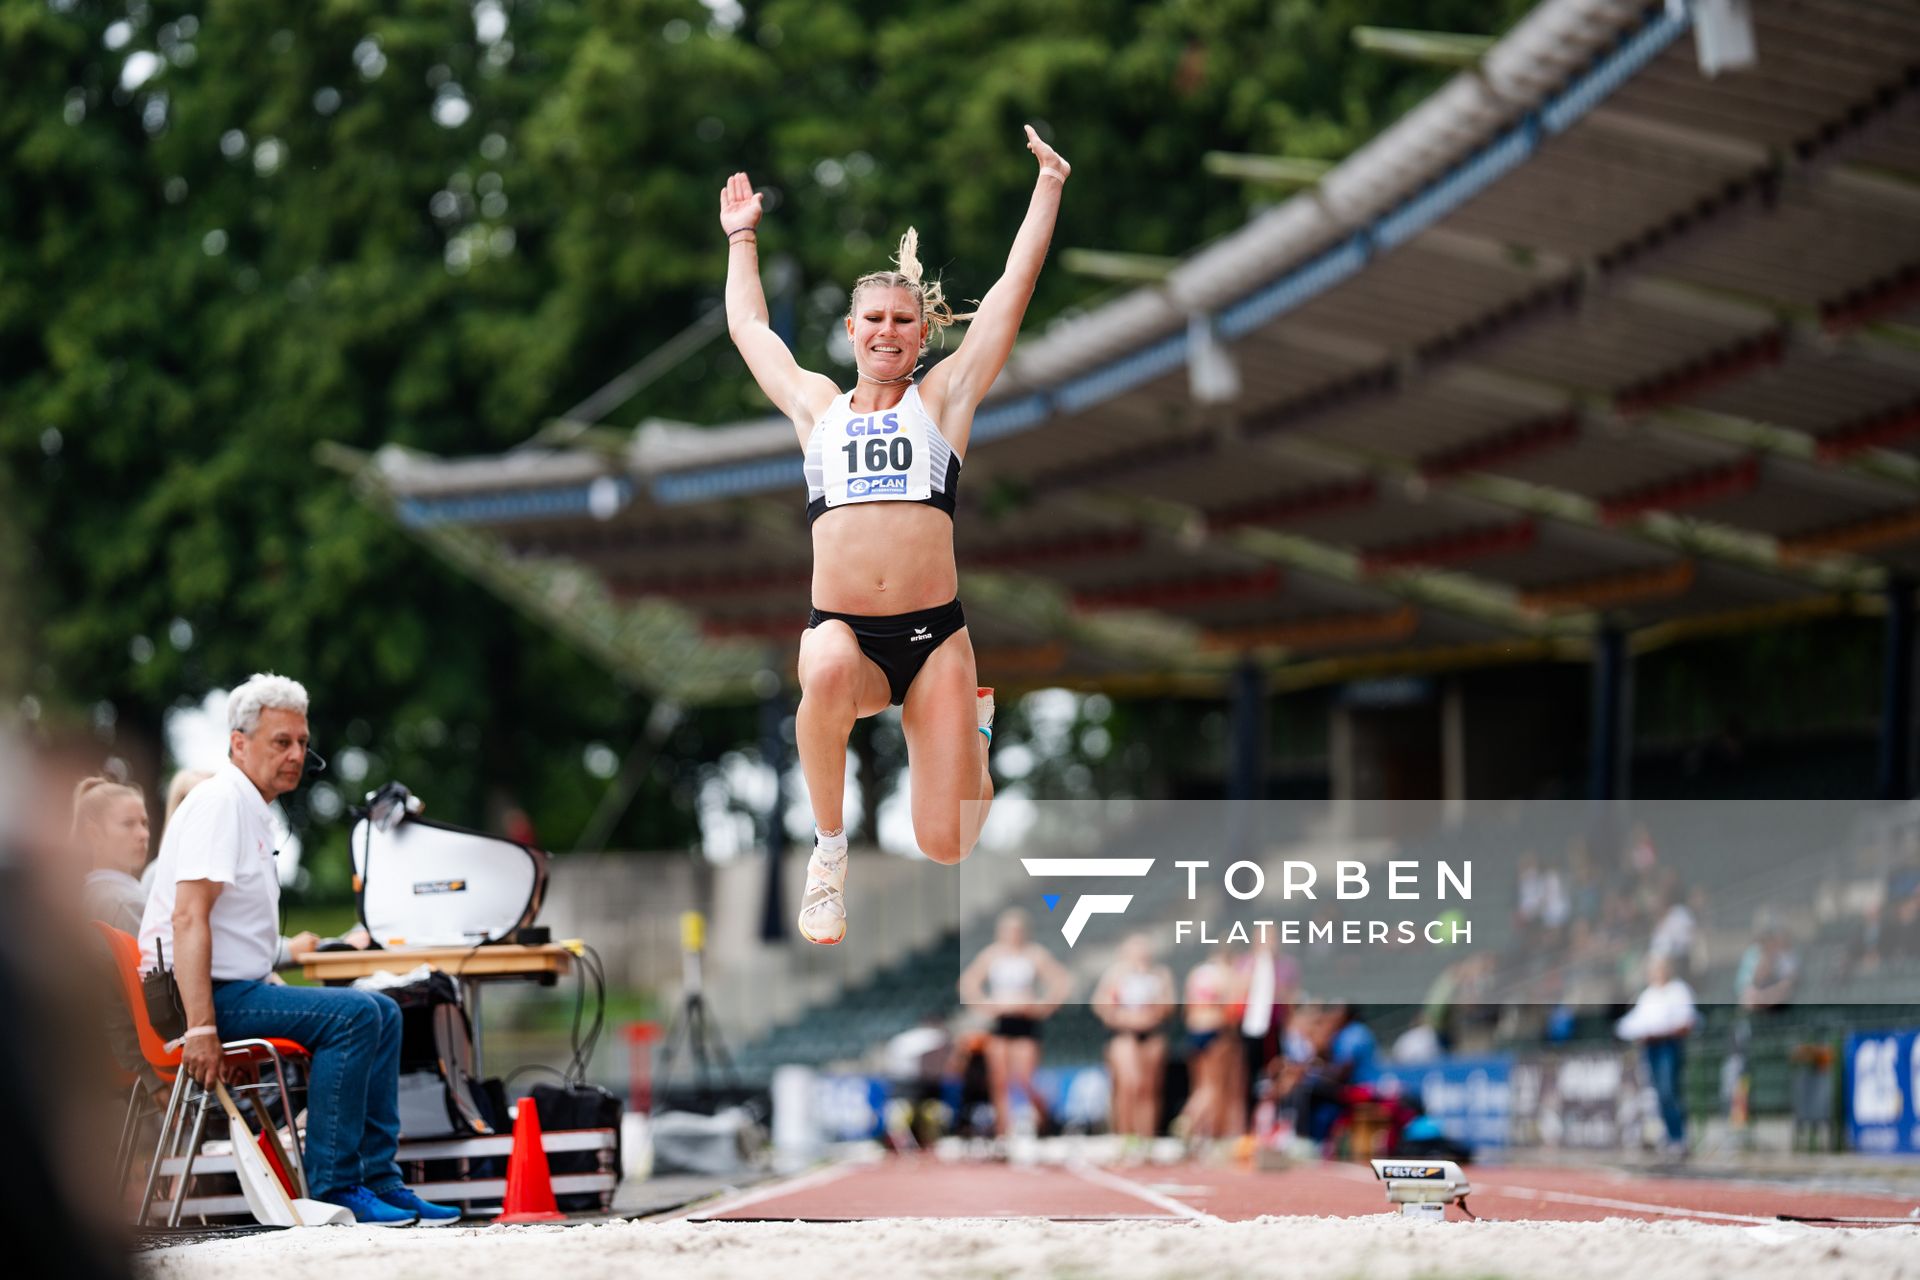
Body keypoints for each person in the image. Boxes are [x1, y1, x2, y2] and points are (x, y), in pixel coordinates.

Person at [719, 125, 1071, 944]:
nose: (887, 331)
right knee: (827, 664)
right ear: (850, 330)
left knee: (946, 844)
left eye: (902, 320)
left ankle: (973, 738)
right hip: (843, 631)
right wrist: (742, 239)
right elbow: (749, 328)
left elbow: (1015, 286)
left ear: (923, 333)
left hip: (934, 639)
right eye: (871, 318)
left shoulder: (943, 401)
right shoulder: (816, 408)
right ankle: (829, 852)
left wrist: (1048, 183)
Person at [138, 673, 458, 1226]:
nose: (296, 755)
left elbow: (232, 933)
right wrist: (202, 1028)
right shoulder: (221, 804)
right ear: (239, 743)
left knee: (383, 1009)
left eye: (302, 743)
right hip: (202, 999)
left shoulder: (249, 806)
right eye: (281, 742)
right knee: (357, 1016)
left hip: (230, 989)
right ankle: (336, 1188)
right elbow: (188, 918)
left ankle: (382, 1180)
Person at [958, 909, 1072, 1138]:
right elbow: (967, 983)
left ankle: (1044, 1119)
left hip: (1025, 1023)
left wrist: (1044, 1006)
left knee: (1024, 1079)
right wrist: (985, 1004)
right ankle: (1004, 1133)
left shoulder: (1034, 954)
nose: (1013, 934)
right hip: (1001, 1022)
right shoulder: (992, 955)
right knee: (999, 1080)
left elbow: (1062, 981)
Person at [1092, 935, 1174, 1142]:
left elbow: (1168, 1006)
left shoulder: (1159, 974)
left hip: (1152, 1035)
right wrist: (1125, 1018)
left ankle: (1146, 1137)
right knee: (1128, 1085)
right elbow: (1102, 1005)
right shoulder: (1116, 975)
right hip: (1125, 1035)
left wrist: (1151, 1014)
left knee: (1148, 1089)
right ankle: (1125, 1137)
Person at [1615, 951, 1695, 1158]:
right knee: (1659, 1095)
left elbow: (1686, 1021)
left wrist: (1664, 1029)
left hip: (1669, 1045)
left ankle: (1679, 1137)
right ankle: (1669, 1136)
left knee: (1669, 1092)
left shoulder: (1678, 990)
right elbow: (1635, 1023)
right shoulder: (1647, 995)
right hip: (1651, 1047)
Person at [74, 777, 149, 934]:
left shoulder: (85, 892)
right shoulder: (124, 903)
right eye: (128, 823)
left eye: (144, 823)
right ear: (94, 834)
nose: (143, 834)